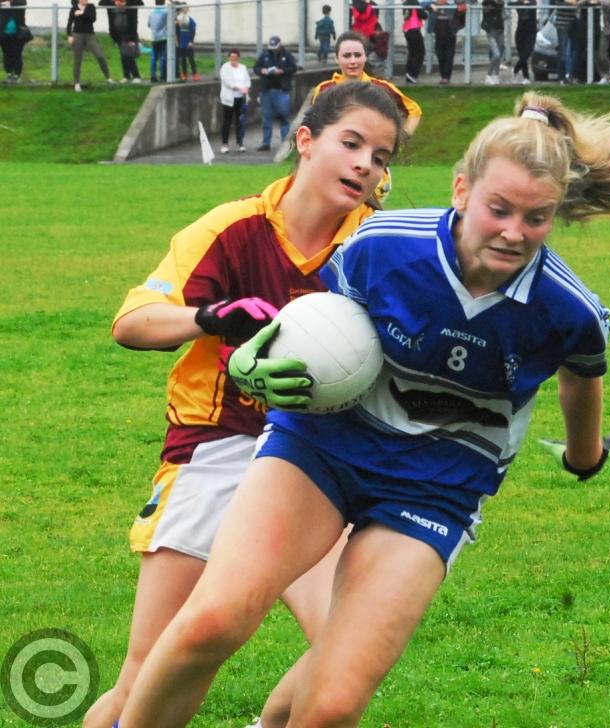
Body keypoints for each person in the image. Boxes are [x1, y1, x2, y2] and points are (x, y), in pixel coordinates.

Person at [118, 90, 610, 728]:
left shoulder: (569, 309)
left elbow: (580, 380)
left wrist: (585, 454)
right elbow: (318, 327)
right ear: (462, 190)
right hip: (322, 446)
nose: (512, 233)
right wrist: (254, 362)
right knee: (212, 623)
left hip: (436, 485)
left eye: (536, 218)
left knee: (330, 706)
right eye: (499, 209)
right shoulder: (383, 244)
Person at [81, 81, 403, 728]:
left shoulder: (379, 248)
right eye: (351, 143)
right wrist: (210, 317)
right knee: (151, 671)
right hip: (214, 445)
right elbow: (131, 322)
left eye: (381, 154)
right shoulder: (232, 229)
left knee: (343, 645)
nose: (366, 163)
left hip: (312, 457)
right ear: (304, 141)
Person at [275, 30, 421, 206]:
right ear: (337, 59)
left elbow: (414, 111)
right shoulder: (324, 90)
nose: (353, 61)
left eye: (357, 55)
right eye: (347, 56)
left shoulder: (381, 88)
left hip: (371, 172)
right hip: (334, 170)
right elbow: (316, 127)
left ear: (365, 57)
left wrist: (400, 139)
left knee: (365, 218)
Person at [253, 35, 296, 152]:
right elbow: (256, 67)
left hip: (281, 91)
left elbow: (293, 68)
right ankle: (266, 143)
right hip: (266, 91)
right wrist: (262, 70)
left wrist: (282, 71)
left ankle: (285, 144)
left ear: (280, 44)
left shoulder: (287, 55)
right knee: (266, 118)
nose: (273, 49)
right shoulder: (265, 54)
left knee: (284, 118)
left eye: (275, 47)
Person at [67, 0, 115, 92]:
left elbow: (92, 18)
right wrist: (69, 35)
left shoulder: (91, 7)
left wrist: (81, 13)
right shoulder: (74, 8)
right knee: (77, 59)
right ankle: (76, 83)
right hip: (77, 35)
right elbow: (69, 23)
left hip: (90, 35)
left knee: (100, 56)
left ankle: (108, 78)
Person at [101, 0, 143, 83]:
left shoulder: (131, 2)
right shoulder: (112, 2)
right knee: (123, 55)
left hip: (129, 33)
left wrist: (125, 3)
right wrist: (114, 3)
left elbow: (140, 3)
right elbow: (101, 3)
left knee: (128, 54)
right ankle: (126, 76)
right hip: (117, 34)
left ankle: (136, 76)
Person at [219, 48, 250, 153]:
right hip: (229, 99)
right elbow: (227, 82)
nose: (233, 59)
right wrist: (239, 87)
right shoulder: (225, 67)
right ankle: (224, 144)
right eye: (231, 57)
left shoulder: (243, 68)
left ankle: (240, 143)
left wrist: (246, 88)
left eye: (235, 57)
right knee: (227, 121)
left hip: (241, 98)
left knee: (240, 121)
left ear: (238, 58)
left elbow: (247, 81)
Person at [430, 0, 465, 84]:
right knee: (440, 56)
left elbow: (461, 19)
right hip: (439, 36)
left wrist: (456, 28)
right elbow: (423, 5)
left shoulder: (451, 8)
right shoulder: (434, 7)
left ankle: (446, 77)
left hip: (450, 35)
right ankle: (443, 76)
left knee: (449, 56)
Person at [510, 0, 536, 84]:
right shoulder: (518, 3)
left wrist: (525, 3)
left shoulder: (533, 2)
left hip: (531, 32)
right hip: (520, 32)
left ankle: (515, 70)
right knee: (522, 55)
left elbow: (531, 5)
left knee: (526, 54)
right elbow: (509, 4)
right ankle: (526, 77)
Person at [0, 0, 26, 83]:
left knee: (17, 54)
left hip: (18, 33)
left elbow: (23, 2)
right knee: (7, 54)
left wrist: (9, 3)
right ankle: (9, 74)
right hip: (4, 32)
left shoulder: (19, 2)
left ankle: (17, 75)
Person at [402, 0, 427, 83]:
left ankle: (408, 73)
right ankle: (413, 74)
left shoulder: (406, 3)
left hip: (407, 29)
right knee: (420, 52)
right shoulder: (414, 2)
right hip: (414, 29)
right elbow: (423, 15)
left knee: (412, 52)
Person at [481, 0, 505, 84]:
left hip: (500, 30)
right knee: (496, 54)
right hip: (491, 31)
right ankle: (489, 75)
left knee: (500, 53)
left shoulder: (500, 3)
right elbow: (490, 12)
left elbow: (501, 11)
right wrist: (497, 4)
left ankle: (496, 75)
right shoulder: (487, 3)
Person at [175, 3, 198, 80]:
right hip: (181, 42)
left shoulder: (190, 19)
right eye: (183, 8)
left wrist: (191, 41)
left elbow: (193, 30)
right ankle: (184, 74)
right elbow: (176, 31)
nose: (185, 9)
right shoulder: (178, 19)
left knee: (191, 58)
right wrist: (177, 41)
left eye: (186, 8)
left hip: (188, 42)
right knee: (183, 59)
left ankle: (195, 74)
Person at [147, 0, 166, 82]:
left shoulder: (151, 13)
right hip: (163, 37)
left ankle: (153, 76)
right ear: (164, 2)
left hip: (154, 38)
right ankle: (162, 76)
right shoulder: (165, 12)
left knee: (154, 58)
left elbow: (148, 24)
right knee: (162, 57)